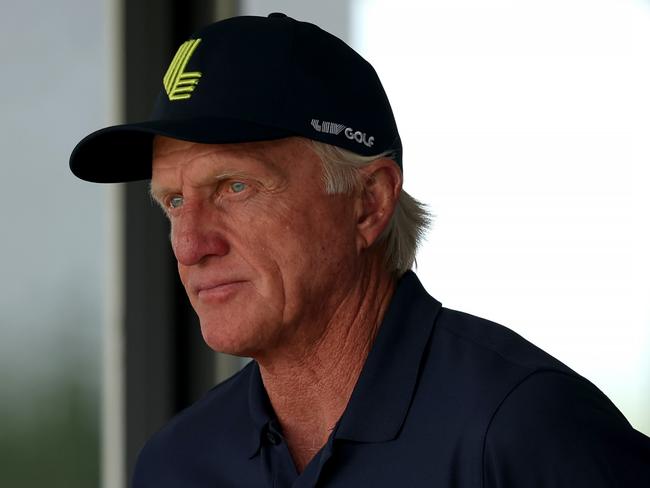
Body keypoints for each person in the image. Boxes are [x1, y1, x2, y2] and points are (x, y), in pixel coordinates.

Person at [70, 13, 650, 488]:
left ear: (368, 203)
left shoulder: (521, 430)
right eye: (172, 201)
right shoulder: (176, 466)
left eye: (235, 187)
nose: (192, 244)